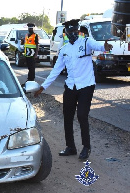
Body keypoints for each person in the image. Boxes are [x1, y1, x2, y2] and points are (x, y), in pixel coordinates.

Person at [34, 19, 113, 160]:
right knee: (68, 116)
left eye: (75, 31)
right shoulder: (64, 49)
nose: (73, 34)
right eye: (70, 32)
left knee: (82, 115)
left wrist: (105, 46)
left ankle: (86, 147)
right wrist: (43, 87)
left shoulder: (86, 42)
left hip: (86, 85)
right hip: (70, 86)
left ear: (78, 31)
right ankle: (71, 147)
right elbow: (56, 70)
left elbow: (100, 46)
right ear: (66, 33)